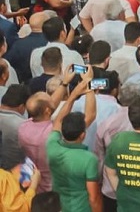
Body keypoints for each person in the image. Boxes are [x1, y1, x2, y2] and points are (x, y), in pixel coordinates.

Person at [46, 68, 101, 212]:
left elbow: (58, 121)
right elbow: (93, 197)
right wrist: (88, 85)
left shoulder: (52, 146)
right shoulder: (89, 159)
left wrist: (73, 95)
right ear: (82, 135)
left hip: (59, 207)